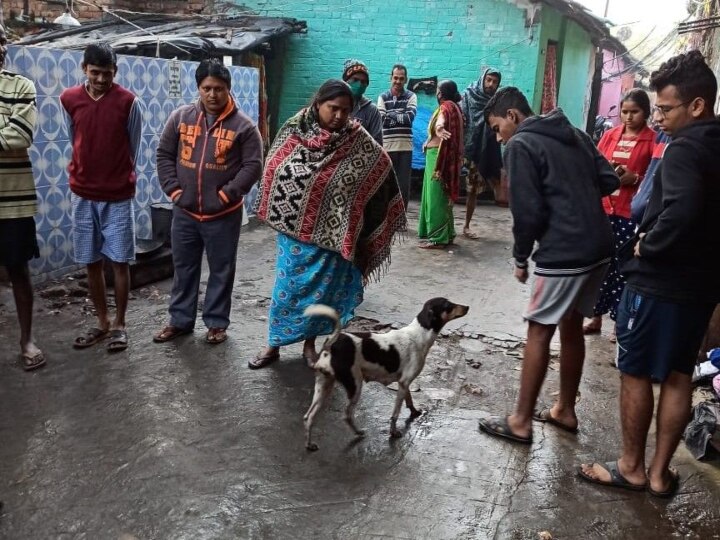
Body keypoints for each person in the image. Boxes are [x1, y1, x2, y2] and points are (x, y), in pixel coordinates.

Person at [579, 51, 720, 498]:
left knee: (635, 370)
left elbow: (680, 210)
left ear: (696, 106)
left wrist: (648, 244)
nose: (658, 117)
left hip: (659, 283)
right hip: (701, 285)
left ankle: (631, 468)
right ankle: (660, 474)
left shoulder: (684, 149)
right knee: (678, 375)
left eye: (665, 108)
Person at [476, 87, 619, 444]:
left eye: (497, 128)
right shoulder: (577, 134)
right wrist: (576, 195)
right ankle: (564, 410)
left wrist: (521, 257)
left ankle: (521, 421)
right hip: (599, 246)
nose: (498, 137)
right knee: (571, 324)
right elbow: (610, 180)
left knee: (540, 330)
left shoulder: (521, 145)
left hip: (564, 250)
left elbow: (527, 211)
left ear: (513, 116)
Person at [250, 79, 406, 369]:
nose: (339, 116)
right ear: (318, 104)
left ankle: (310, 346)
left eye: (345, 111)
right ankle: (273, 344)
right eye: (333, 108)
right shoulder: (295, 129)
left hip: (333, 236)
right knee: (286, 290)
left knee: (322, 296)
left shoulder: (356, 140)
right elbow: (275, 168)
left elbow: (380, 168)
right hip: (294, 235)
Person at [153, 59, 263, 345]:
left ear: (228, 89)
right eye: (207, 88)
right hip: (185, 212)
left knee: (221, 270)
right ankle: (180, 320)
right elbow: (164, 155)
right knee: (184, 267)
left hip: (223, 215)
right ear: (198, 88)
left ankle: (216, 322)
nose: (213, 94)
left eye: (219, 89)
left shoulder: (244, 127)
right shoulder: (180, 118)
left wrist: (226, 195)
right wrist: (174, 192)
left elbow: (252, 166)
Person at [61, 43, 142, 353]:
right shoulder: (69, 99)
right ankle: (101, 321)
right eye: (95, 73)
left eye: (107, 74)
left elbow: (132, 147)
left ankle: (120, 324)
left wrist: (118, 177)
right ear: (84, 69)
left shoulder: (129, 102)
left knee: (120, 261)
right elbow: (74, 139)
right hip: (82, 193)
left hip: (118, 195)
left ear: (115, 72)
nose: (101, 79)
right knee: (90, 261)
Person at [583, 89, 656, 341]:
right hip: (604, 209)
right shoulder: (610, 135)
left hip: (629, 213)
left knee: (622, 268)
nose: (628, 117)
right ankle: (595, 317)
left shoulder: (653, 141)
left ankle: (618, 323)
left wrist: (635, 178)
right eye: (624, 111)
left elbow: (657, 177)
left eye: (634, 112)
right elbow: (595, 165)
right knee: (600, 264)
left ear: (645, 113)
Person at [0, 25, 45, 371]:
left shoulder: (21, 86)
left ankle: (27, 340)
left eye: (1, 40)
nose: (0, 46)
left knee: (19, 269)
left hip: (13, 199)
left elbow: (21, 135)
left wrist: (9, 131)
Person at [417, 80, 464, 249]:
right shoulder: (456, 108)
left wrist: (438, 128)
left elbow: (441, 122)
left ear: (442, 93)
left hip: (437, 158)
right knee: (443, 195)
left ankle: (437, 237)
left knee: (435, 196)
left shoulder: (445, 107)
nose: (436, 94)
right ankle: (448, 233)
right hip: (442, 156)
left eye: (438, 91)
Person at [460, 68, 502, 239]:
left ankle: (466, 226)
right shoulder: (468, 95)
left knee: (473, 190)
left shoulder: (497, 102)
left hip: (481, 150)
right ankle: (444, 224)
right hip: (463, 148)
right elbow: (460, 117)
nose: (491, 84)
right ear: (482, 79)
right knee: (448, 186)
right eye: (489, 80)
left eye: (495, 82)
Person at [377, 64, 417, 208]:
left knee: (403, 186)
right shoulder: (382, 96)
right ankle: (385, 218)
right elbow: (382, 120)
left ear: (406, 80)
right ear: (390, 78)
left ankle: (402, 219)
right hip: (387, 147)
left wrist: (391, 114)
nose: (398, 81)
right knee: (386, 184)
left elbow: (409, 118)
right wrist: (399, 116)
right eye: (395, 78)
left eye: (401, 78)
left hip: (405, 148)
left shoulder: (411, 96)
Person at [341, 59, 383, 145]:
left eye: (364, 82)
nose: (359, 84)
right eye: (355, 80)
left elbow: (377, 143)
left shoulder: (372, 110)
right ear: (346, 80)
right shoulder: (332, 103)